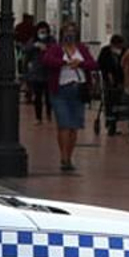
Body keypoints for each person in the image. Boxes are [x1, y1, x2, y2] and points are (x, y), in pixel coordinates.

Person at [42, 21, 96, 172]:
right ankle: (64, 158)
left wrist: (80, 63)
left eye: (72, 31)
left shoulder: (82, 49)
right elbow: (47, 60)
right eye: (67, 31)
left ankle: (70, 156)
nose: (69, 34)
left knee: (74, 127)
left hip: (78, 90)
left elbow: (93, 64)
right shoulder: (56, 49)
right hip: (60, 90)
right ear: (62, 33)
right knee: (64, 125)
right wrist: (64, 62)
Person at [24, 21, 54, 122]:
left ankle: (49, 114)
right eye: (41, 31)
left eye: (44, 31)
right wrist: (34, 46)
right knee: (37, 96)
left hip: (48, 72)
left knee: (49, 96)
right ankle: (38, 117)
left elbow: (56, 50)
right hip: (36, 72)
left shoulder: (51, 40)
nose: (42, 34)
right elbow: (26, 50)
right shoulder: (33, 40)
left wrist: (47, 48)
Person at [96, 34, 127, 136]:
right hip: (108, 81)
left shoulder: (125, 51)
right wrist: (108, 75)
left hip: (121, 80)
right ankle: (110, 123)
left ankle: (114, 122)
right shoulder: (105, 51)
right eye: (118, 46)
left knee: (118, 102)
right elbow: (100, 64)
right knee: (109, 101)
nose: (119, 48)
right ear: (113, 44)